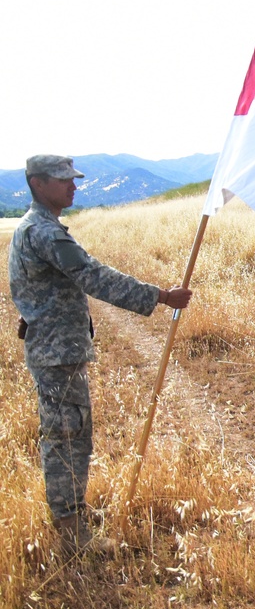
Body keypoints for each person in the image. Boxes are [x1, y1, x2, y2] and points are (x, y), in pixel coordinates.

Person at [8, 155, 193, 559]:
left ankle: (71, 522)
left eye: (74, 179)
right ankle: (72, 537)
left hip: (56, 352)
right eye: (63, 180)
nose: (73, 186)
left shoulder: (35, 229)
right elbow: (93, 275)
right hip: (57, 356)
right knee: (67, 441)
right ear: (38, 184)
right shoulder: (42, 231)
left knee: (67, 436)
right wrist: (160, 296)